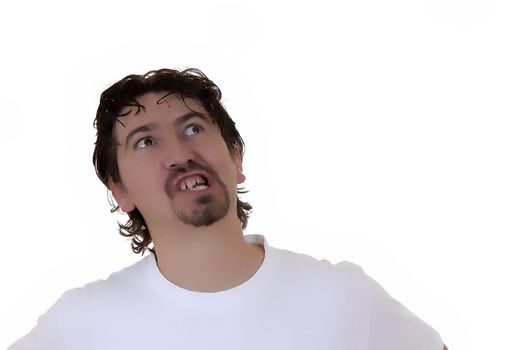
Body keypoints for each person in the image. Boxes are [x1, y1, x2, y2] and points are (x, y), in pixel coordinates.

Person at [9, 68, 447, 349]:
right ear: (120, 191)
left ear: (235, 159)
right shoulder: (84, 322)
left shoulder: (340, 294)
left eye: (194, 128)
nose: (179, 153)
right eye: (145, 140)